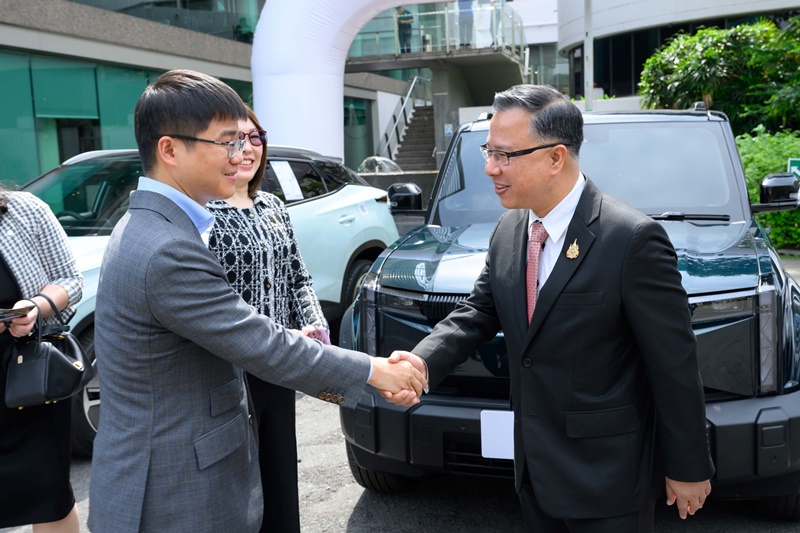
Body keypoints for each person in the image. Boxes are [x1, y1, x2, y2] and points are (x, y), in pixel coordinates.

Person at [88, 69, 425, 533]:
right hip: (174, 493)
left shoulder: (157, 226)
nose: (240, 154)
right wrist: (375, 370)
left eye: (246, 140)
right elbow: (261, 341)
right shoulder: (166, 248)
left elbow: (292, 284)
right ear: (170, 150)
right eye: (226, 142)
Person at [387, 84, 714, 532]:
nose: (489, 168)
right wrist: (420, 362)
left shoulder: (631, 239)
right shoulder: (509, 229)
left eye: (504, 155)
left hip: (608, 479)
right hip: (535, 472)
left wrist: (688, 466)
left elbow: (673, 363)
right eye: (488, 151)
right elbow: (479, 311)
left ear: (556, 157)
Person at [206, 106, 319, 533]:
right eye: (236, 139)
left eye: (256, 137)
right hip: (228, 369)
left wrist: (314, 326)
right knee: (238, 482)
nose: (248, 148)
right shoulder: (204, 211)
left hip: (278, 364)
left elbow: (298, 277)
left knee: (280, 475)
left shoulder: (272, 205)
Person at [0, 187, 83, 532]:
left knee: (50, 497)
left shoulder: (24, 210)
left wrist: (34, 307)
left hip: (30, 379)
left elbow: (71, 280)